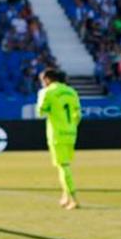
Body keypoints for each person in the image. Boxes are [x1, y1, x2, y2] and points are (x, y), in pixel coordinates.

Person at [35, 68, 81, 210]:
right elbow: (78, 114)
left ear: (47, 79)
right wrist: (71, 127)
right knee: (66, 165)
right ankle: (65, 197)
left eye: (43, 81)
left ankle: (74, 199)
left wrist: (52, 111)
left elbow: (40, 112)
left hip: (56, 134)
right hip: (71, 133)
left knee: (63, 167)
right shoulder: (71, 91)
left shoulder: (46, 92)